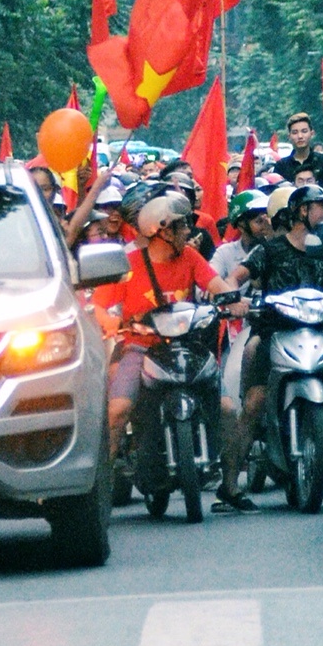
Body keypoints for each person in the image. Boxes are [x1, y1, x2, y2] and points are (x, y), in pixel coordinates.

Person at [98, 193, 235, 499]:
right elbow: (99, 306)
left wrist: (231, 299)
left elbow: (217, 286)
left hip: (188, 348)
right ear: (162, 231)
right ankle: (101, 491)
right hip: (141, 348)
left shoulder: (191, 257)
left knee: (227, 409)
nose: (189, 231)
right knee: (118, 410)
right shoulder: (128, 264)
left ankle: (231, 485)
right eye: (182, 225)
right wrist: (109, 323)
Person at [221, 183, 323, 502]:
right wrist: (233, 296)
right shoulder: (270, 250)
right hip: (275, 334)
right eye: (322, 206)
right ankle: (231, 484)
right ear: (302, 211)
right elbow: (235, 277)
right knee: (254, 403)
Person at [270, 114, 323, 185]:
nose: (300, 136)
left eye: (304, 131)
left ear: (312, 133)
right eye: (295, 132)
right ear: (289, 136)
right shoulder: (281, 166)